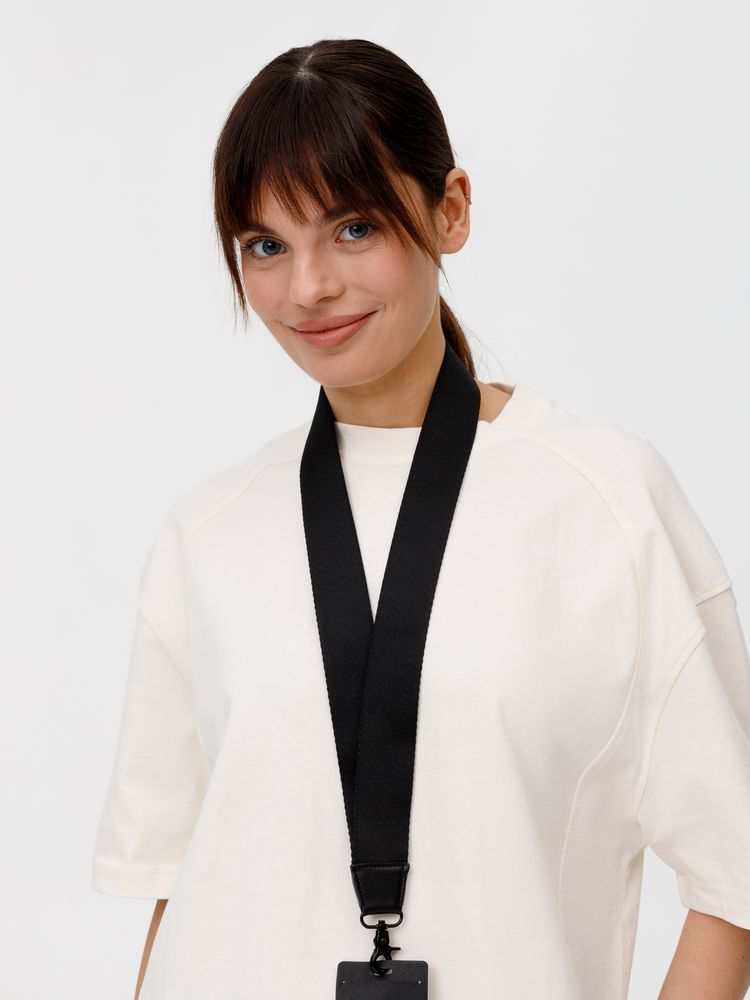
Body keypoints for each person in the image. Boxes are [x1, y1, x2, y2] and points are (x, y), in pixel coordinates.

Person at [90, 37, 750, 1000]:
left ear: (451, 210)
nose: (307, 288)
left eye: (353, 228)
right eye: (266, 246)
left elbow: (735, 874)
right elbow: (175, 885)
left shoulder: (607, 499)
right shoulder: (207, 531)